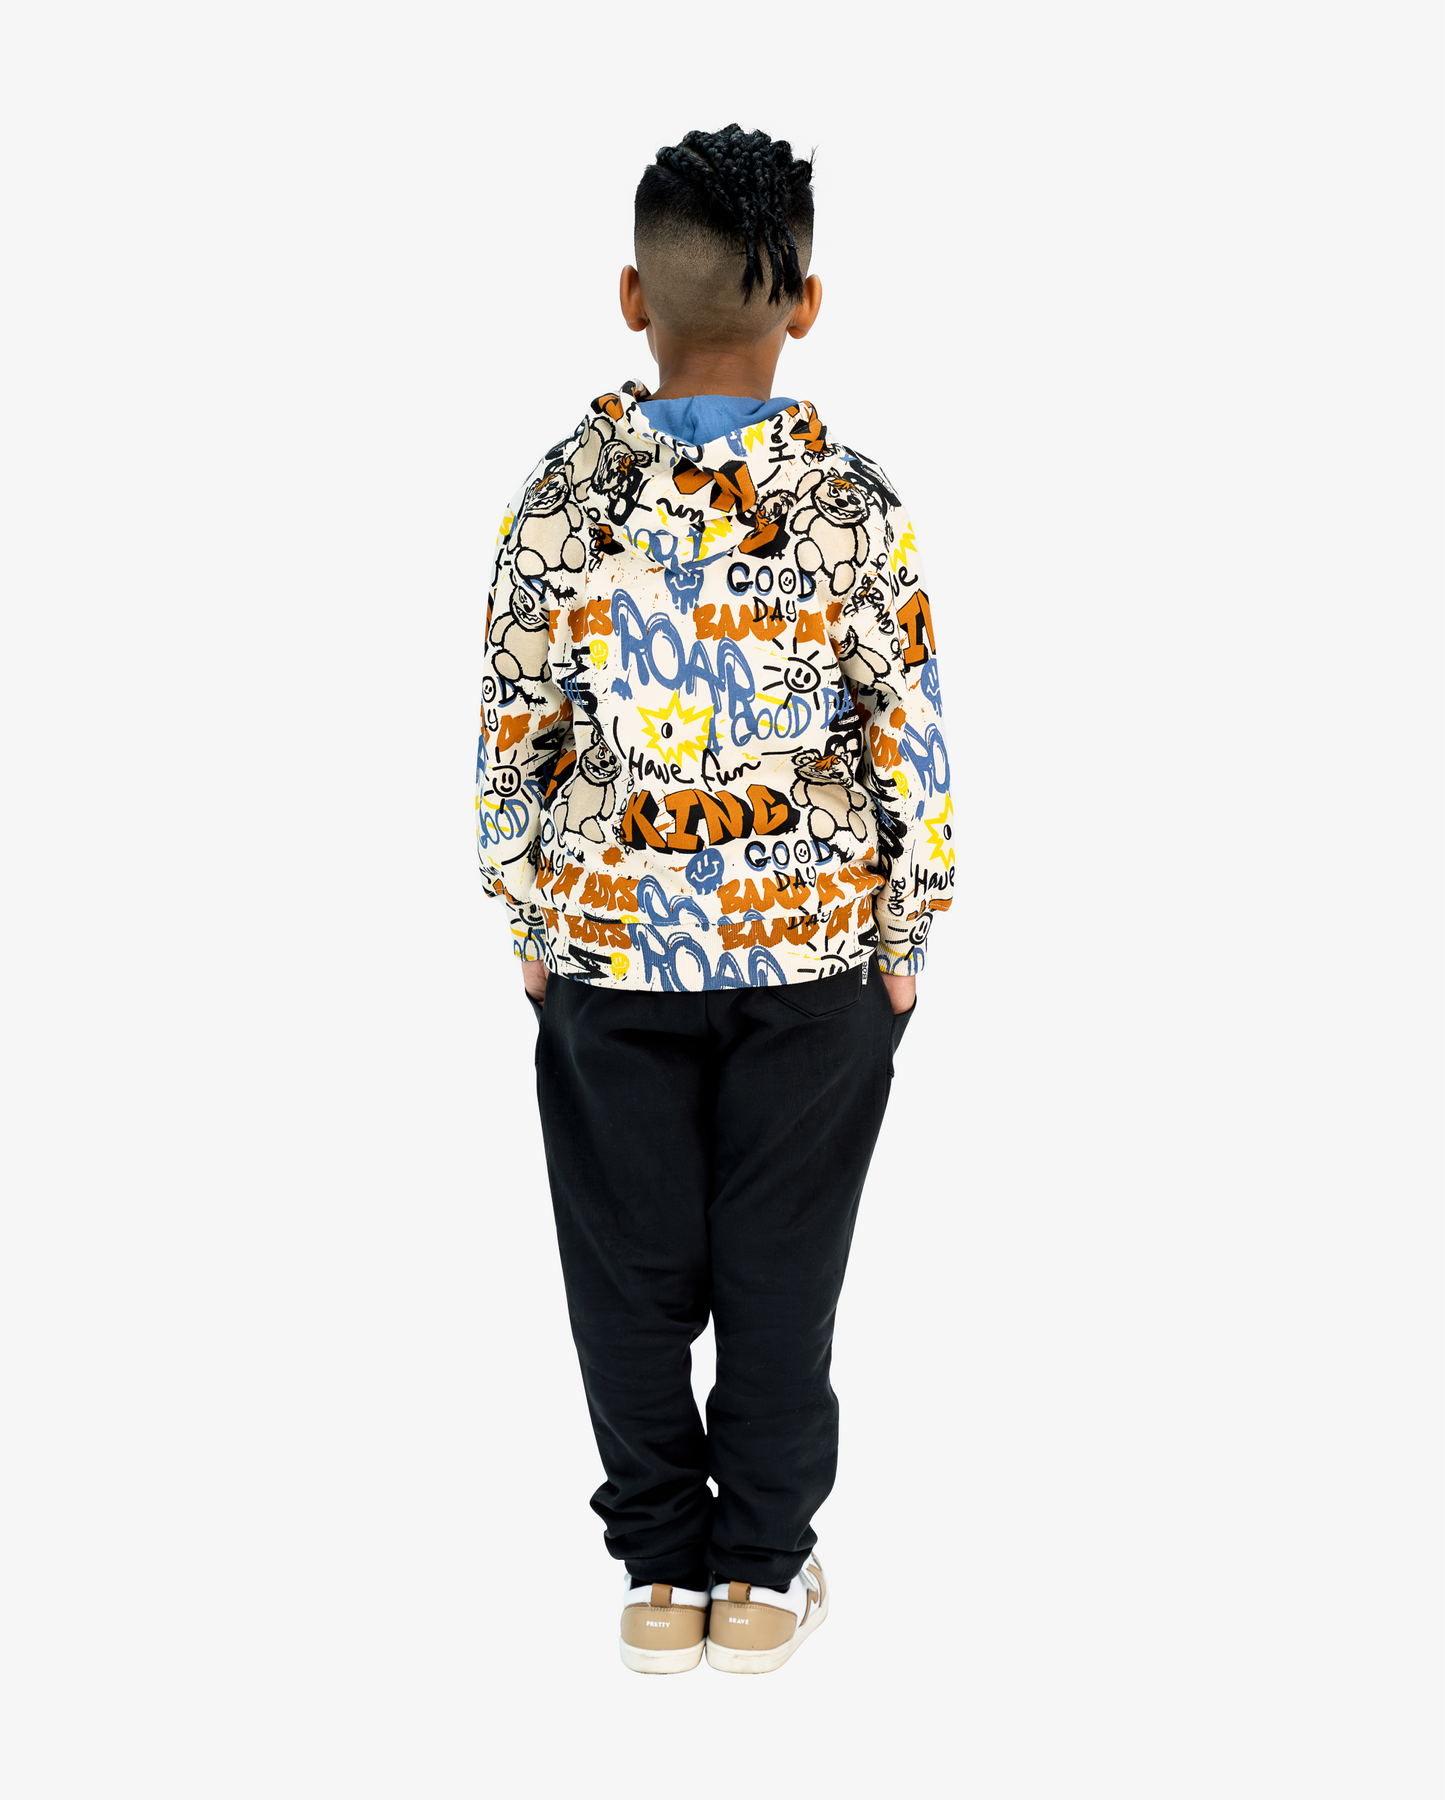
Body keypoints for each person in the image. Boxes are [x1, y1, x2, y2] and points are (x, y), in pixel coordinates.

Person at [475, 124, 953, 1674]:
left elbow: (513, 733)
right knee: (781, 1276)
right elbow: (908, 738)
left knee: (624, 1274)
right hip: (813, 961)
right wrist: (902, 936)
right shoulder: (855, 508)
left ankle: (658, 1581)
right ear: (807, 302)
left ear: (632, 297)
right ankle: (756, 1578)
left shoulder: (562, 501)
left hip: (609, 951)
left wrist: (532, 923)